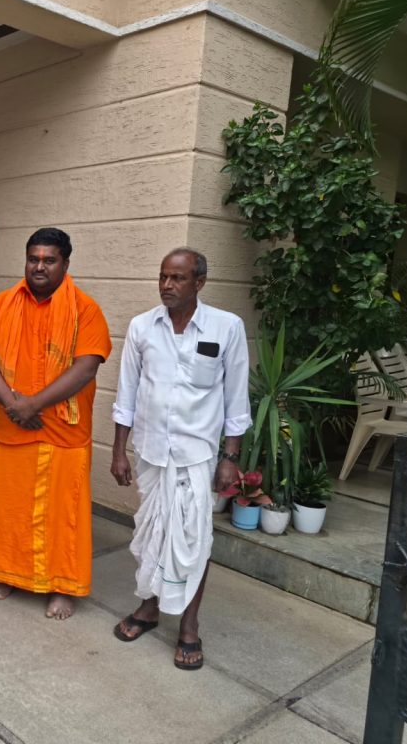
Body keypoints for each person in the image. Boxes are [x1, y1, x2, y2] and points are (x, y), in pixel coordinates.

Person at [110, 247, 251, 670]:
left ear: (199, 282)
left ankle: (189, 625)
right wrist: (118, 451)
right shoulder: (142, 327)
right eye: (163, 277)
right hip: (152, 452)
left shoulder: (227, 327)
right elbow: (127, 394)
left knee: (193, 541)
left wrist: (230, 457)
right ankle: (149, 607)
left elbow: (236, 399)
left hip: (197, 455)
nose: (167, 285)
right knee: (152, 533)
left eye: (178, 278)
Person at [0, 228, 111, 620]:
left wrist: (33, 404)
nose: (40, 266)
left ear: (66, 263)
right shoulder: (1, 304)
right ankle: (6, 573)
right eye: (34, 259)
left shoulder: (85, 310)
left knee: (63, 516)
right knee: (8, 509)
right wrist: (13, 404)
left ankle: (61, 586)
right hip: (12, 427)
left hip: (63, 433)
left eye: (49, 260)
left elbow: (86, 367)